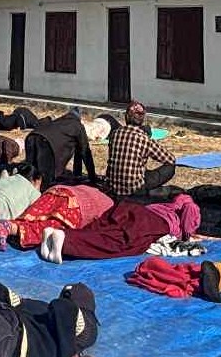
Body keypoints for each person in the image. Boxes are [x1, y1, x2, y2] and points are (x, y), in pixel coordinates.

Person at [36, 194, 201, 264]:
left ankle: (54, 235)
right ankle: (65, 240)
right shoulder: (188, 207)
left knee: (102, 228)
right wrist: (188, 236)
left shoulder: (166, 205)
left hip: (132, 208)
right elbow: (188, 225)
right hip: (150, 223)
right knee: (118, 242)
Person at [101, 102, 178, 198]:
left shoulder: (115, 134)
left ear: (126, 116)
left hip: (112, 187)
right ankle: (149, 192)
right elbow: (170, 159)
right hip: (135, 190)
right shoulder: (143, 138)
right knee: (170, 168)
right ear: (142, 119)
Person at [24, 111, 95, 186]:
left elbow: (79, 152)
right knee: (46, 179)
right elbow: (85, 152)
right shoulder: (78, 126)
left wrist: (77, 175)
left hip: (31, 137)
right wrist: (93, 177)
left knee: (29, 172)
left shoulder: (58, 121)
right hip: (46, 143)